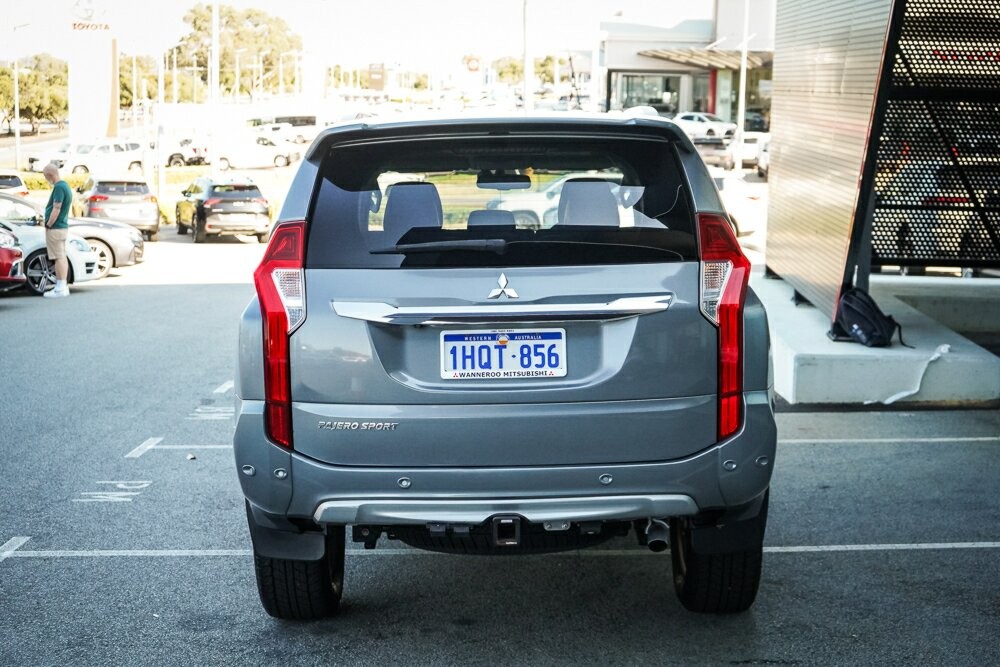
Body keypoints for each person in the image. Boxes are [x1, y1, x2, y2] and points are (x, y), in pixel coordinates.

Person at [41, 163, 73, 298]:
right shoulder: (65, 185)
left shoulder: (59, 187)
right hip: (62, 227)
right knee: (62, 256)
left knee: (58, 257)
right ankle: (62, 286)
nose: (45, 179)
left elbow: (56, 208)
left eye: (45, 176)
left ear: (50, 174)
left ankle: (60, 288)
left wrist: (48, 224)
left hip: (55, 228)